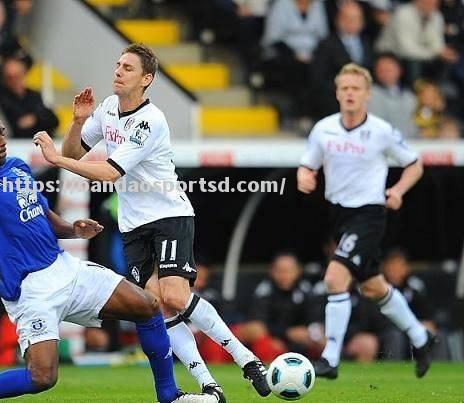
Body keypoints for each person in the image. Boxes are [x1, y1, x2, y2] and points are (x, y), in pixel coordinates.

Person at [0, 112, 213, 403]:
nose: (2, 140)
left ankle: (169, 396)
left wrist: (72, 229)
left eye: (3, 133)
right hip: (31, 289)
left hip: (65, 269)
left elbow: (41, 216)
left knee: (148, 306)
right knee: (43, 377)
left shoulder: (16, 167)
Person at [34, 43, 271, 401]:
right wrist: (79, 122)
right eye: (117, 64)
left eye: (127, 68)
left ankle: (247, 359)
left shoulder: (150, 120)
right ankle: (209, 385)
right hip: (133, 225)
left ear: (147, 79)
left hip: (168, 214)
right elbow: (74, 152)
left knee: (175, 295)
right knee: (155, 305)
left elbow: (109, 173)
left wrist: (55, 160)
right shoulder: (108, 108)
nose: (117, 71)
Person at [297, 63, 435, 379]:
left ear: (367, 95)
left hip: (369, 214)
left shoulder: (382, 131)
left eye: (355, 88)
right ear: (336, 93)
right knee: (374, 287)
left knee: (334, 278)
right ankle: (420, 336)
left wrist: (398, 190)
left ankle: (330, 358)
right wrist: (304, 176)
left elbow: (414, 164)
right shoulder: (324, 129)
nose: (349, 93)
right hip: (339, 216)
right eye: (344, 88)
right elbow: (307, 165)